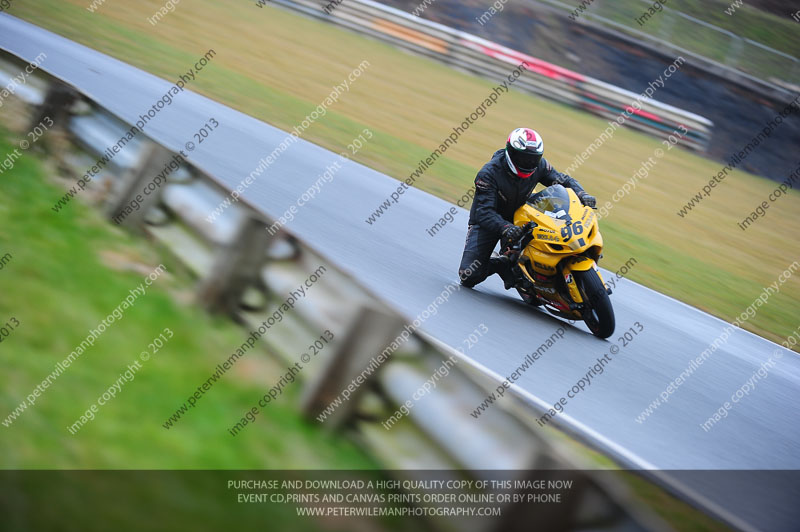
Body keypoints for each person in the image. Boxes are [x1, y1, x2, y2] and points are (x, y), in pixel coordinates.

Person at [458, 127, 595, 289]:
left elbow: (563, 180)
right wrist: (506, 228)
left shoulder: (539, 166)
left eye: (533, 159)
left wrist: (581, 194)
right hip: (489, 221)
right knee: (468, 274)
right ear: (510, 153)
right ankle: (502, 263)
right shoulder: (488, 174)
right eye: (522, 159)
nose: (528, 163)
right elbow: (484, 212)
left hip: (522, 214)